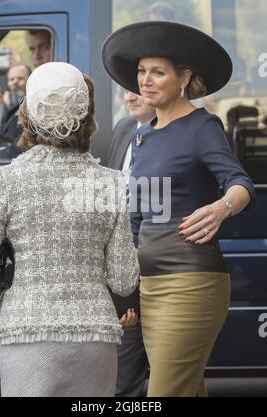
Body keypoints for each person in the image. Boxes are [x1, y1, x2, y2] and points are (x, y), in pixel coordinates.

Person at [102, 21, 257, 397]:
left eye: (158, 72)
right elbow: (136, 222)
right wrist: (128, 288)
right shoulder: (142, 135)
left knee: (165, 391)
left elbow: (241, 184)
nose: (145, 80)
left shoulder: (202, 126)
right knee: (184, 388)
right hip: (149, 286)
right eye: (141, 71)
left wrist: (222, 208)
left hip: (191, 283)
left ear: (183, 76)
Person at [0, 62, 139, 397]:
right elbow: (123, 280)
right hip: (95, 335)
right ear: (86, 116)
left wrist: (17, 299)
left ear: (27, 115)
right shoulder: (109, 183)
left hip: (26, 334)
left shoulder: (6, 181)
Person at [108, 90, 155, 397]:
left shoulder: (173, 135)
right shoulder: (124, 128)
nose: (129, 94)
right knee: (119, 378)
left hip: (156, 269)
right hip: (120, 271)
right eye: (126, 86)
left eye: (137, 87)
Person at [0, 30, 52, 160]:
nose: (36, 55)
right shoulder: (2, 103)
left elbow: (29, 145)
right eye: (32, 49)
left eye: (44, 47)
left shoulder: (47, 95)